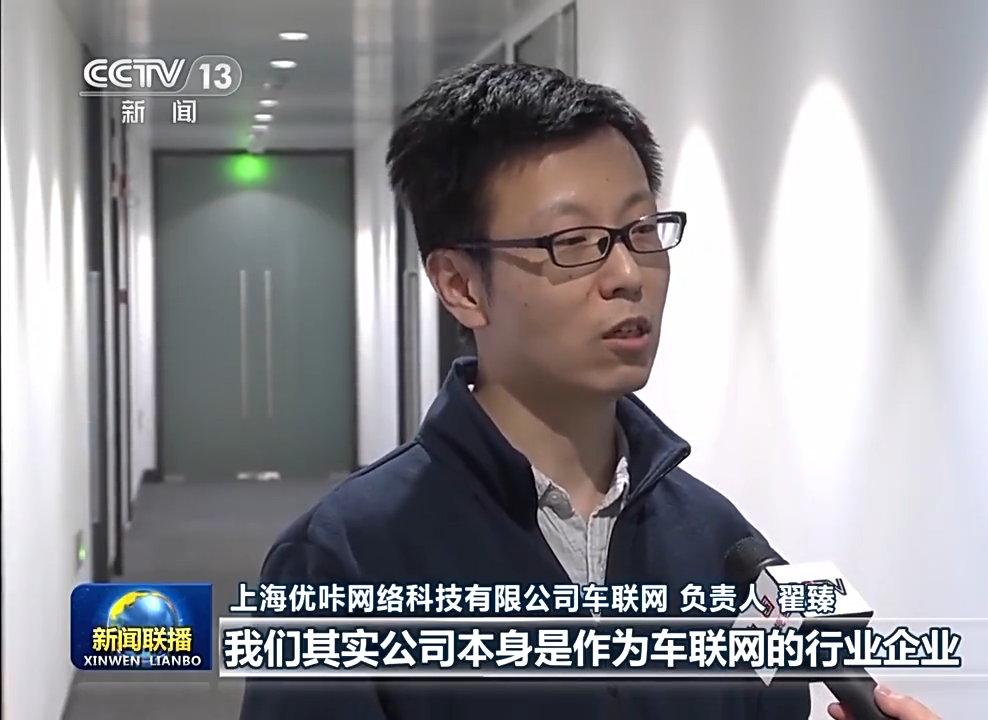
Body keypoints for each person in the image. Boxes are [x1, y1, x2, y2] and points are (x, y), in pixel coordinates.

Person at [239, 62, 942, 720]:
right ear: (460, 285)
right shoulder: (343, 562)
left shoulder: (725, 546)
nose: (628, 274)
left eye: (642, 230)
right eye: (573, 241)